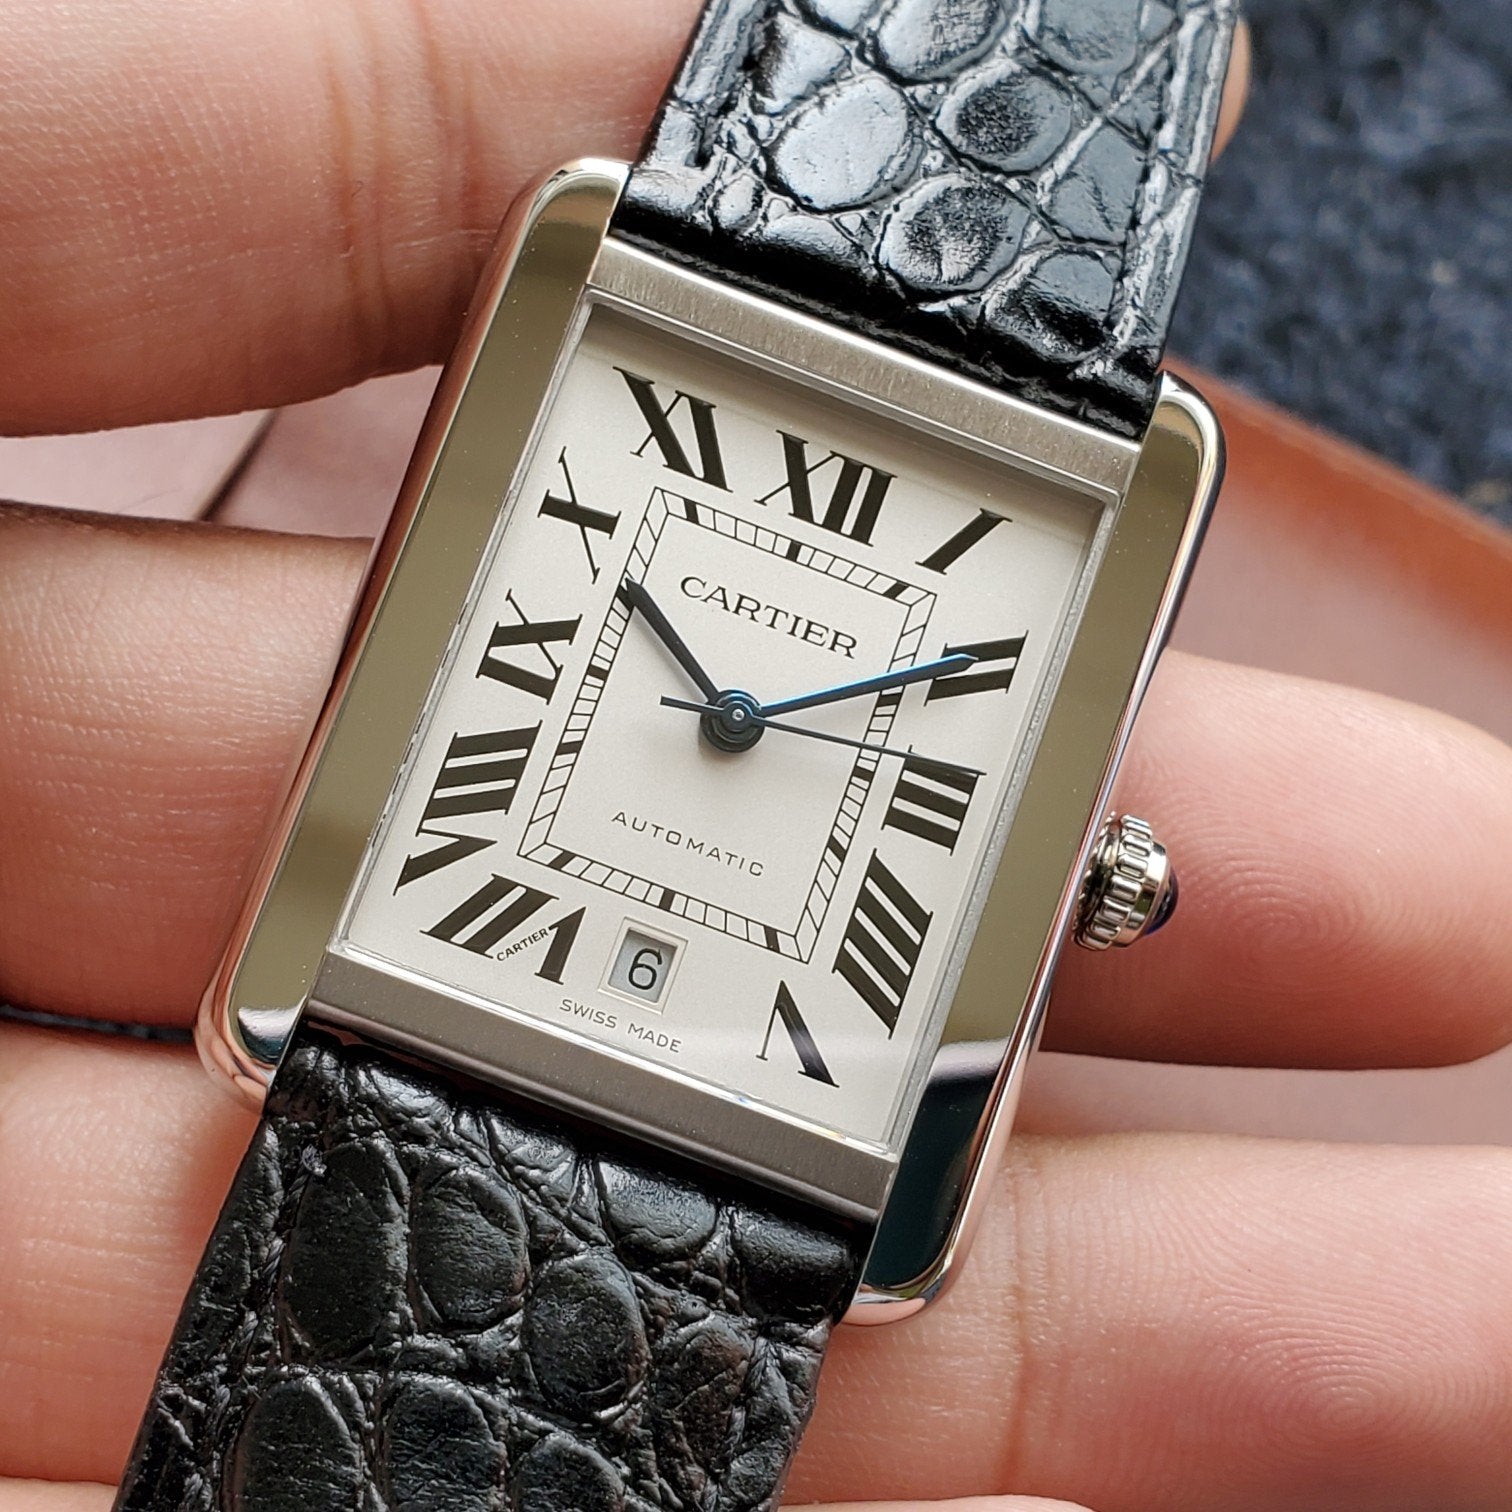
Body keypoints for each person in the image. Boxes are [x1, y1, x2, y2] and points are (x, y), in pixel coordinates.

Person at [2, 4, 1510, 1510]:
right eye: (735, 710)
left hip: (671, 1174)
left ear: (1101, 880)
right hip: (459, 1090)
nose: (734, 719)